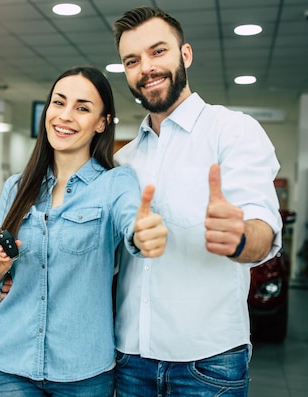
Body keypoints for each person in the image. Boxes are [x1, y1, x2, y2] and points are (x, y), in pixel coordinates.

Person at [111, 6, 283, 396]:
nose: (147, 68)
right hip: (128, 358)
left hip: (209, 362)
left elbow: (261, 225)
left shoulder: (234, 131)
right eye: (132, 60)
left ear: (185, 55)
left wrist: (239, 236)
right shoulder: (123, 161)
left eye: (158, 52)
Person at [0, 66, 168, 397]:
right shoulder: (16, 187)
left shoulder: (114, 183)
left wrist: (142, 232)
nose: (65, 116)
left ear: (102, 122)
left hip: (82, 372)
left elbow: (131, 221)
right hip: (11, 363)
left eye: (82, 108)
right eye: (58, 103)